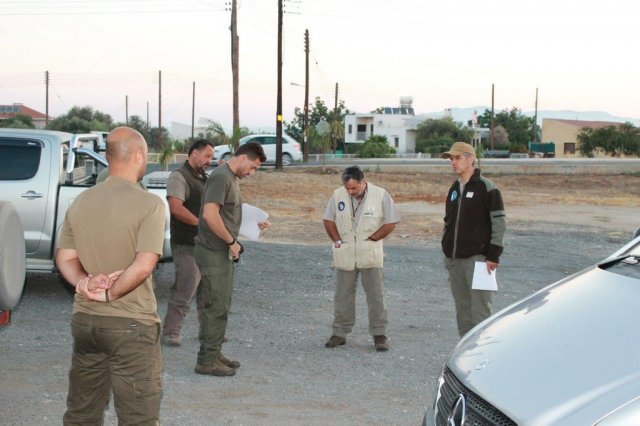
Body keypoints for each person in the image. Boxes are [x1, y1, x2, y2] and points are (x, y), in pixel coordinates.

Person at [55, 127, 166, 424]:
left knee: (81, 413)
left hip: (86, 323)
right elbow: (145, 264)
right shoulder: (150, 204)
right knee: (138, 417)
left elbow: (65, 258)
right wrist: (109, 293)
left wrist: (84, 283)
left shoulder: (80, 201)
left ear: (108, 157)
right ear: (139, 156)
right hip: (131, 324)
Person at [194, 141, 269, 376]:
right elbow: (210, 215)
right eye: (253, 167)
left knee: (221, 304)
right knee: (215, 304)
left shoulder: (231, 178)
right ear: (244, 158)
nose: (252, 172)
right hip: (213, 250)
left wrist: (251, 225)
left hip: (221, 251)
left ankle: (214, 352)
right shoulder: (222, 176)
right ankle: (206, 360)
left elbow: (228, 213)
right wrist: (231, 242)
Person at [323, 166, 400, 351]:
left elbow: (391, 222)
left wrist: (373, 238)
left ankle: (379, 334)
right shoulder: (337, 195)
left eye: (354, 189)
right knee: (342, 296)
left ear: (363, 182)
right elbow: (328, 220)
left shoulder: (381, 195)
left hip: (369, 253)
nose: (350, 192)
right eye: (347, 188)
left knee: (376, 296)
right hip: (346, 254)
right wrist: (337, 241)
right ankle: (339, 333)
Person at [441, 142, 506, 337]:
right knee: (463, 310)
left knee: (480, 311)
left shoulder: (487, 188)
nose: (453, 162)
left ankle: (483, 354)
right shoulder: (454, 188)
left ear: (471, 159)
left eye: (458, 158)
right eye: (451, 159)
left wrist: (493, 255)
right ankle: (465, 354)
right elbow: (448, 222)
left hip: (478, 261)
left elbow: (499, 223)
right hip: (454, 261)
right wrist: (446, 249)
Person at [162, 139, 214, 346]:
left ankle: (208, 332)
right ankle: (170, 332)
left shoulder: (203, 177)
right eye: (207, 156)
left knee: (206, 292)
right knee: (185, 289)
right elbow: (176, 208)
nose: (210, 160)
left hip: (203, 244)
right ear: (194, 154)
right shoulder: (178, 177)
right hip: (186, 244)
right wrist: (202, 224)